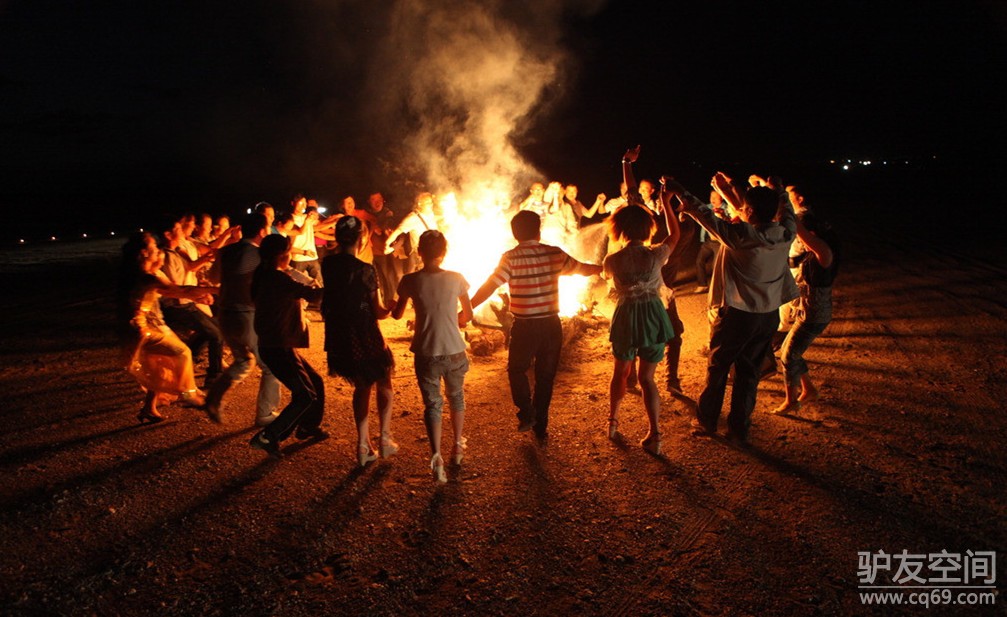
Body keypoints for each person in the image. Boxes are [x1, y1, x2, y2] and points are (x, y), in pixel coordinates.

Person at [672, 173, 799, 445]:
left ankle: (706, 421)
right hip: (767, 316)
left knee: (718, 367)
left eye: (744, 208)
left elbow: (705, 215)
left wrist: (680, 189)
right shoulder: (786, 234)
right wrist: (780, 192)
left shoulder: (741, 236)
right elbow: (788, 212)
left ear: (750, 211)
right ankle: (739, 428)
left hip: (737, 315)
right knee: (749, 373)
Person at [470, 210, 602, 440]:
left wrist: (467, 308)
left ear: (515, 234)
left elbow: (490, 286)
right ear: (539, 232)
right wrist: (604, 268)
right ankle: (540, 424)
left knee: (516, 369)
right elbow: (583, 269)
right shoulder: (554, 253)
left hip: (525, 327)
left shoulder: (510, 258)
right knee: (545, 376)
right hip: (551, 326)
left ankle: (527, 412)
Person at [392, 230, 473, 483]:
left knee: (433, 404)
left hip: (426, 352)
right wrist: (453, 321)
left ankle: (436, 457)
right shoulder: (457, 278)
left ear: (419, 252)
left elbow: (396, 314)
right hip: (454, 350)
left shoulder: (409, 280)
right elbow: (467, 315)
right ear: (444, 252)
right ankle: (458, 446)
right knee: (456, 397)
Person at [603, 201, 679, 455]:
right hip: (653, 316)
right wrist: (668, 206)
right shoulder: (656, 254)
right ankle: (655, 434)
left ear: (619, 229)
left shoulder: (612, 259)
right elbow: (675, 234)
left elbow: (606, 279)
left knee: (621, 373)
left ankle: (612, 423)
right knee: (647, 379)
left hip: (626, 316)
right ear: (648, 227)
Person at [323, 216, 397, 467]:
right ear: (362, 238)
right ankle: (384, 438)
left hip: (339, 332)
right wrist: (390, 309)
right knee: (384, 375)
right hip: (363, 330)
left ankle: (363, 445)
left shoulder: (328, 264)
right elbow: (376, 310)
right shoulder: (365, 269)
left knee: (362, 385)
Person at [117, 233, 214, 423]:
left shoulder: (149, 273)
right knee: (182, 352)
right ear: (144, 253)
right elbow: (180, 290)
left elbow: (175, 290)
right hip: (142, 330)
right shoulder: (147, 277)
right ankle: (189, 394)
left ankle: (149, 408)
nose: (159, 250)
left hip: (151, 325)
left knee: (160, 363)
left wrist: (198, 296)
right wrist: (219, 290)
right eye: (154, 248)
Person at [248, 234, 327, 457]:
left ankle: (307, 427)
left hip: (277, 345)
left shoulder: (267, 275)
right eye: (289, 251)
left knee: (315, 383)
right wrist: (340, 287)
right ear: (282, 255)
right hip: (277, 347)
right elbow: (313, 296)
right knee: (305, 394)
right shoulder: (275, 278)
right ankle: (268, 436)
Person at [203, 213, 281, 427]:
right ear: (262, 232)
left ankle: (213, 399)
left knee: (244, 361)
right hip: (248, 315)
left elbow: (213, 278)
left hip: (226, 316)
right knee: (271, 365)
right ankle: (265, 413)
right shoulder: (259, 255)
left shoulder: (226, 251)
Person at [775, 211, 839, 413]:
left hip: (815, 316)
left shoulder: (825, 254)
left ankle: (791, 401)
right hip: (808, 313)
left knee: (788, 355)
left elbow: (803, 233)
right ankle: (809, 389)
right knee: (791, 351)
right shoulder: (812, 254)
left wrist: (788, 213)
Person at [384, 192, 439, 275]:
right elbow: (398, 231)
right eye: (428, 203)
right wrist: (387, 244)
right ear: (420, 204)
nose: (431, 205)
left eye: (431, 202)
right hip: (421, 255)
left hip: (434, 253)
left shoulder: (430, 213)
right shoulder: (412, 218)